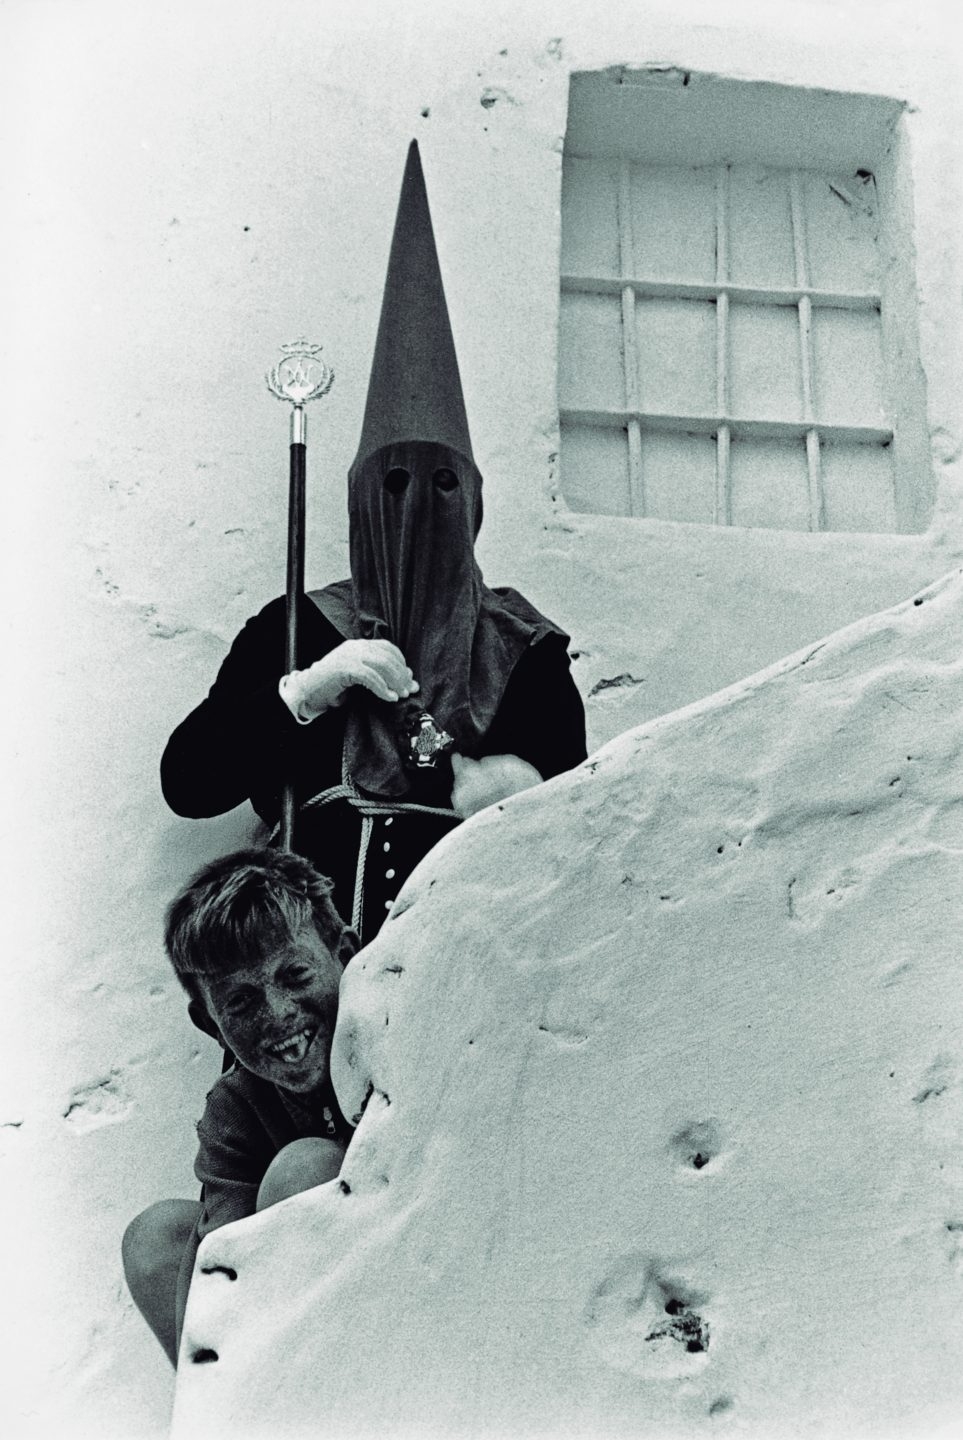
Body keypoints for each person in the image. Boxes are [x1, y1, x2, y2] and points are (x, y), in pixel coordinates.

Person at [161, 141, 587, 944]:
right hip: (302, 982)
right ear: (360, 504)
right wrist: (304, 691)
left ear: (475, 503)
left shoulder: (525, 650)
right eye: (392, 486)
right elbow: (188, 781)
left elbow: (573, 839)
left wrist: (519, 789)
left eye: (442, 486)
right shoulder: (297, 627)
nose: (417, 510)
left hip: (458, 966)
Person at [122, 849, 358, 1366]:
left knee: (307, 1168)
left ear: (347, 954)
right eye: (241, 1003)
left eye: (295, 975)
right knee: (156, 1237)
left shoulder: (393, 1032)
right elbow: (222, 1262)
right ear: (210, 1024)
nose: (279, 1015)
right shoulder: (235, 1108)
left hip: (408, 1289)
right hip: (292, 1338)